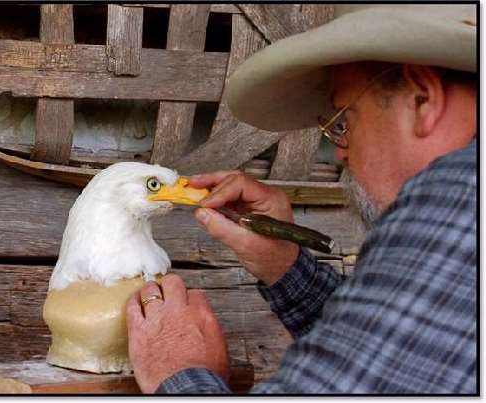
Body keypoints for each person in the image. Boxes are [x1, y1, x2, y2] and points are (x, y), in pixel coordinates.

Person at [126, 4, 477, 394]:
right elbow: (409, 356)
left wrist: (178, 371)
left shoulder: (462, 193)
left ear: (423, 100)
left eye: (343, 120)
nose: (341, 152)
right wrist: (284, 265)